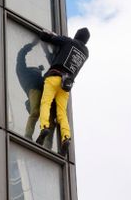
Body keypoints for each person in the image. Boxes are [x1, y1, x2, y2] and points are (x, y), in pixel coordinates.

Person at [35, 28, 90, 156]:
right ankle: (66, 137)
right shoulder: (85, 53)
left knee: (46, 103)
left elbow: (49, 38)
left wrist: (45, 34)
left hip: (54, 77)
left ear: (77, 35)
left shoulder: (70, 42)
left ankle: (44, 127)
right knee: (61, 113)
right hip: (66, 85)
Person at [16, 40, 56, 148]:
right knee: (36, 112)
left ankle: (47, 144)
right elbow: (20, 57)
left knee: (50, 118)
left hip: (44, 93)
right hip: (35, 90)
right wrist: (30, 46)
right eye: (37, 70)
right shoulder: (23, 73)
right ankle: (28, 136)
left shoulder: (39, 78)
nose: (39, 72)